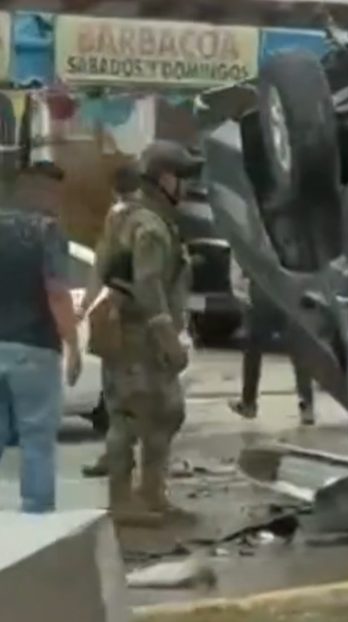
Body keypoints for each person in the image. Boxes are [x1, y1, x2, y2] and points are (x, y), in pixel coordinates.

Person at [97, 140, 199, 525]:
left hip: (126, 332)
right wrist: (166, 335)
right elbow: (148, 281)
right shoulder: (150, 226)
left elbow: (105, 269)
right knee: (135, 416)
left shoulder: (126, 216)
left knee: (159, 414)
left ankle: (150, 493)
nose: (187, 188)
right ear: (165, 179)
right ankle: (126, 499)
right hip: (141, 337)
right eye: (183, 178)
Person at [0, 158, 82, 513]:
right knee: (37, 437)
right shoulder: (48, 232)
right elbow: (56, 293)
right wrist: (73, 345)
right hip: (35, 347)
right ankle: (36, 511)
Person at [78, 163, 141, 478]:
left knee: (117, 394)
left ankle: (118, 455)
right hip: (147, 317)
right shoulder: (155, 218)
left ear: (115, 190)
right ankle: (131, 456)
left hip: (123, 316)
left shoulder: (117, 218)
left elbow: (101, 266)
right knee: (141, 394)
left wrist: (86, 306)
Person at [228, 258, 315, 425]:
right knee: (299, 349)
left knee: (253, 348)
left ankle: (249, 403)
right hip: (289, 289)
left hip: (262, 290)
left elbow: (240, 262)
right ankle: (307, 404)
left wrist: (242, 293)